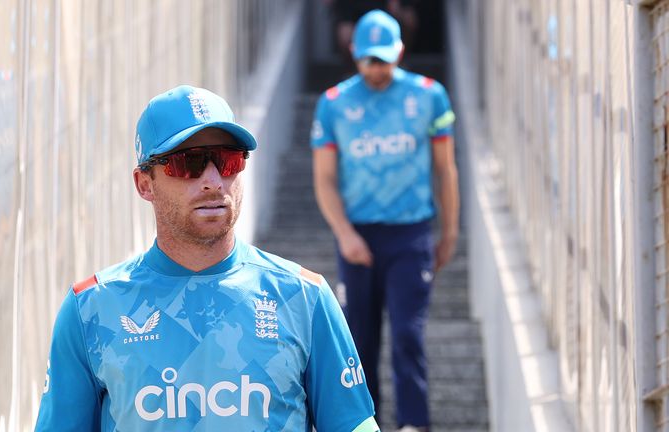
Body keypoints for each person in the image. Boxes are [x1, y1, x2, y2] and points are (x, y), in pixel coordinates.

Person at [35, 85, 380, 432]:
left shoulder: (305, 298)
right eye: (190, 163)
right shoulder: (91, 308)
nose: (213, 181)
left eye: (228, 160)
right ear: (144, 184)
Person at [310, 10, 459, 432]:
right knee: (359, 340)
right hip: (358, 233)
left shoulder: (430, 95)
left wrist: (449, 232)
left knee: (408, 335)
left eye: (384, 59)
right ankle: (364, 423)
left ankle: (414, 424)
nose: (377, 70)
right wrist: (344, 234)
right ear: (354, 54)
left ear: (400, 53)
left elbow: (446, 170)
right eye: (369, 60)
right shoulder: (334, 103)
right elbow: (323, 178)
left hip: (411, 232)